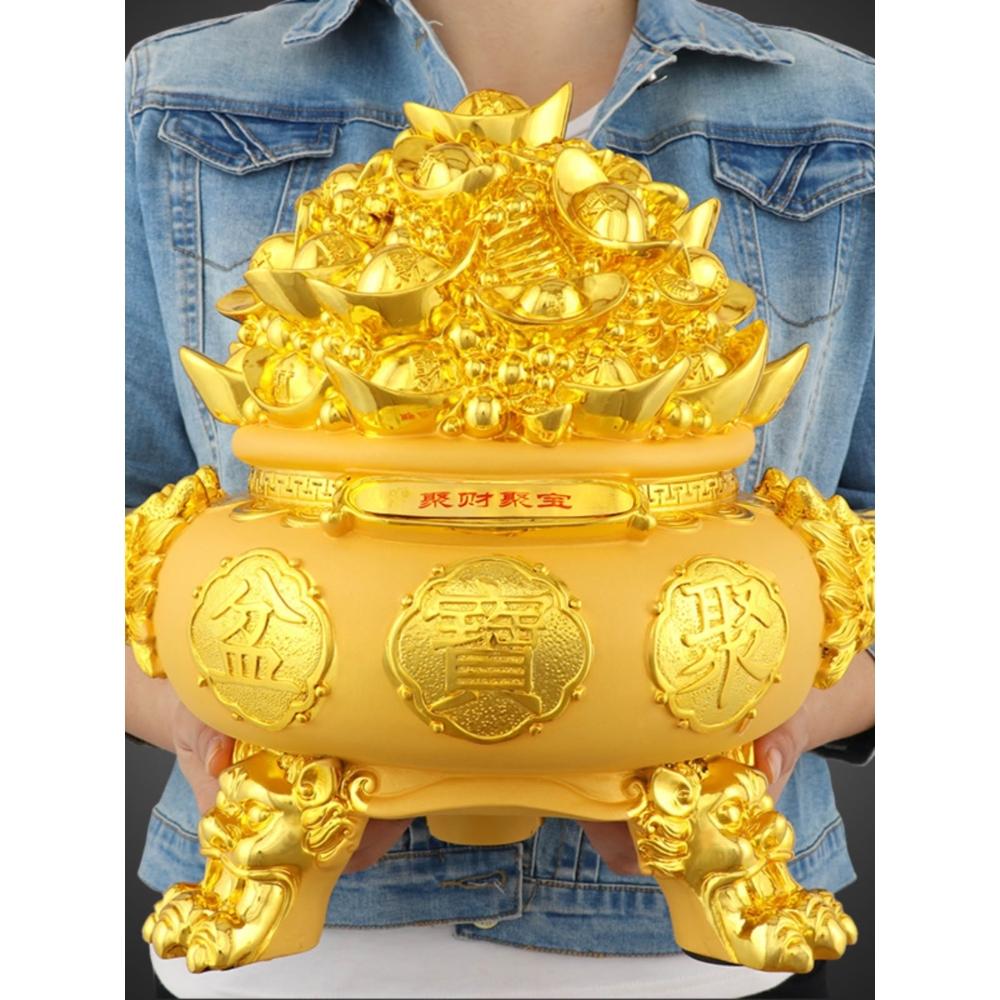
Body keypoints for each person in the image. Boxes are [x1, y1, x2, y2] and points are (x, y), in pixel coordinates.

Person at [125, 1, 875, 996]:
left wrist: (786, 720)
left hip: (704, 964)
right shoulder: (177, 96)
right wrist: (198, 722)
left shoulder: (850, 115)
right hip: (266, 963)